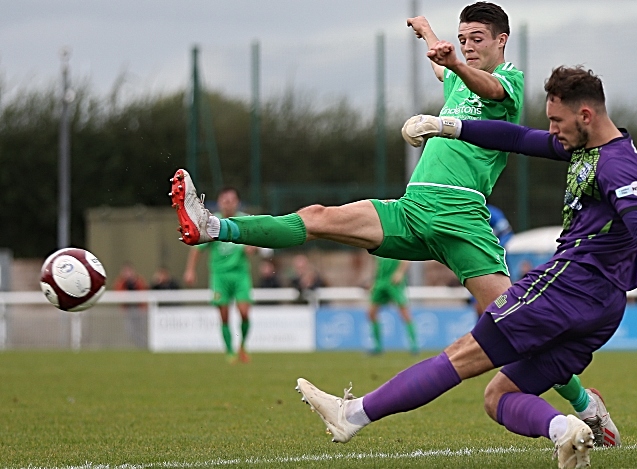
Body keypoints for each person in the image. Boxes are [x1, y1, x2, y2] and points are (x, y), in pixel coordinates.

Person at [169, 2, 611, 444]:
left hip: (461, 218)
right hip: (413, 208)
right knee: (320, 217)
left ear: (501, 41)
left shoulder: (507, 81)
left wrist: (453, 59)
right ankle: (214, 227)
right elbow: (449, 69)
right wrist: (428, 35)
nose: (468, 47)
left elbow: (489, 88)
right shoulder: (457, 73)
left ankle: (585, 406)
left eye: (478, 38)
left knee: (523, 326)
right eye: (463, 39)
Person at [295, 66, 637, 468]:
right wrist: (447, 126)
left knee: (459, 356)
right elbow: (518, 138)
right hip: (602, 308)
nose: (552, 129)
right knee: (498, 397)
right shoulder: (585, 146)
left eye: (556, 120)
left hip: (565, 287)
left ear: (585, 115)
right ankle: (567, 431)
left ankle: (353, 415)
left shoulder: (618, 165)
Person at [183, 187, 256, 364]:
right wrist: (190, 270)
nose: (228, 203)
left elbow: (254, 244)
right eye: (225, 200)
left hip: (240, 275)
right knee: (224, 315)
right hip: (220, 275)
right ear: (219, 202)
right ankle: (230, 351)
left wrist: (252, 248)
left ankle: (243, 346)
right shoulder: (210, 222)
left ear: (237, 202)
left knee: (245, 313)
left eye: (231, 200)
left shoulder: (245, 220)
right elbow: (198, 249)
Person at [367, 258, 418, 355]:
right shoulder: (376, 249)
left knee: (404, 312)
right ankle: (377, 346)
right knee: (371, 313)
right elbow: (377, 264)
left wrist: (400, 272)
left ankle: (414, 345)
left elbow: (406, 258)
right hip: (381, 281)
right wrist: (374, 280)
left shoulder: (394, 244)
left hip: (394, 281)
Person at [113, 262, 148, 348]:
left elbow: (144, 293)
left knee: (141, 329)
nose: (127, 274)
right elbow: (118, 293)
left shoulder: (139, 281)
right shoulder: (121, 283)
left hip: (139, 310)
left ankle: (145, 346)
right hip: (128, 310)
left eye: (128, 271)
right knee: (130, 331)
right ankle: (140, 346)